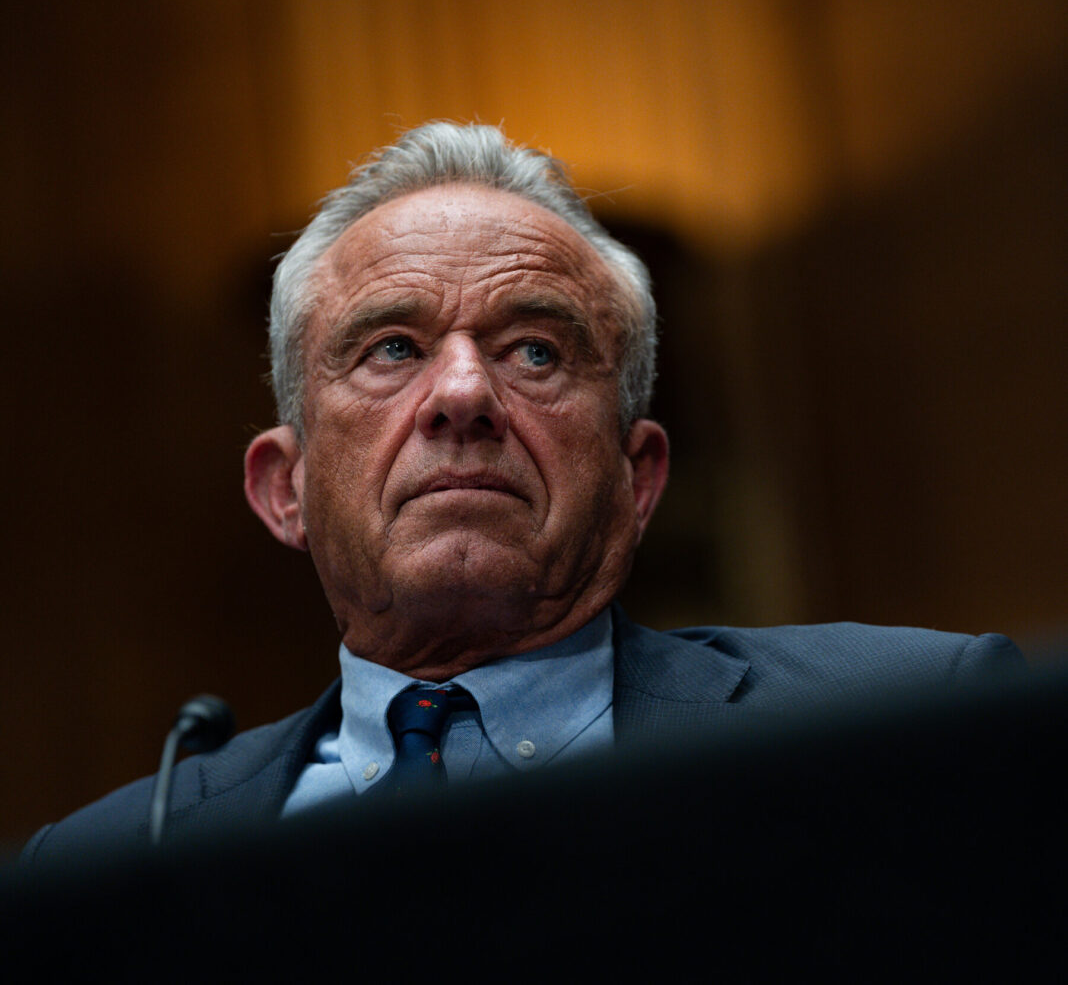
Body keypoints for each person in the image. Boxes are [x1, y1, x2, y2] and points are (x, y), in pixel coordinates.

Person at [22, 122, 1024, 863]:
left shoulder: (913, 728)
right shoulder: (113, 862)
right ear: (285, 489)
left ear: (637, 478)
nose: (463, 393)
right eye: (392, 349)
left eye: (536, 350)